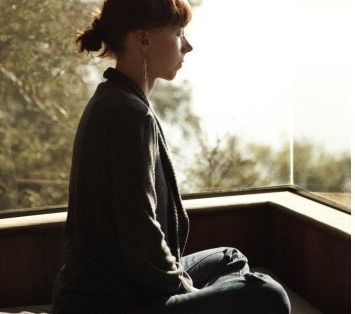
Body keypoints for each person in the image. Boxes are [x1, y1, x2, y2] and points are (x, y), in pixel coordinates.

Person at [51, 0, 291, 313]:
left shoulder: (113, 99)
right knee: (270, 296)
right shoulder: (129, 114)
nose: (188, 46)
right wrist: (189, 294)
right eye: (179, 33)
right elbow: (142, 238)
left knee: (230, 258)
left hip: (118, 286)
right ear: (144, 40)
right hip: (112, 302)